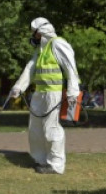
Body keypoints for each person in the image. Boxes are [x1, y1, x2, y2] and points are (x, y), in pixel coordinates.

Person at [10, 18, 81, 175]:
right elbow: (30, 69)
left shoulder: (57, 44)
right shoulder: (40, 51)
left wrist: (72, 92)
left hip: (53, 93)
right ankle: (41, 159)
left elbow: (71, 67)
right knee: (35, 128)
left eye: (33, 34)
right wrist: (18, 88)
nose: (32, 37)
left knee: (51, 128)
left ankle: (56, 165)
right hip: (40, 93)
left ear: (40, 32)